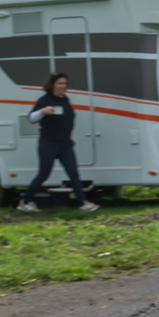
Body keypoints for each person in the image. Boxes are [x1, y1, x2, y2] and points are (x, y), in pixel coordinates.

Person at [16, 73, 100, 213]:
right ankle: (25, 202)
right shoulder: (45, 100)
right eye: (60, 83)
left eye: (65, 83)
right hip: (49, 143)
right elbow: (30, 118)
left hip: (65, 144)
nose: (63, 86)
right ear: (53, 85)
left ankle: (83, 203)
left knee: (73, 173)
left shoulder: (65, 99)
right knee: (44, 174)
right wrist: (42, 112)